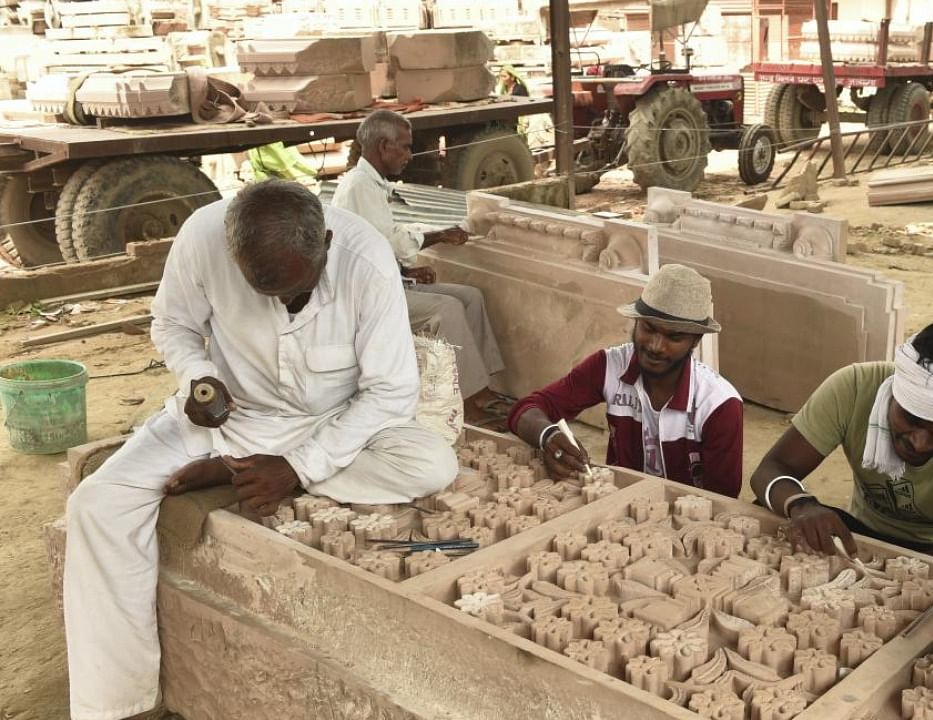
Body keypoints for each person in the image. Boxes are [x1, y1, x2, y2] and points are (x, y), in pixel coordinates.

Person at [62, 180, 459, 720]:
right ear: (233, 254)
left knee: (431, 464)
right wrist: (200, 378)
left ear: (327, 242)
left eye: (296, 291)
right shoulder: (203, 235)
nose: (284, 305)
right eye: (264, 292)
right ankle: (117, 704)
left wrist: (297, 467)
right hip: (230, 418)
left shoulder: (365, 260)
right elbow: (172, 324)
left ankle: (234, 475)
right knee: (95, 505)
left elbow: (390, 391)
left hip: (329, 423)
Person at [749, 318, 933, 574]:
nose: (919, 443)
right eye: (910, 419)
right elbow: (772, 469)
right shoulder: (856, 386)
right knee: (775, 511)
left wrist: (877, 572)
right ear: (896, 391)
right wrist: (800, 504)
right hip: (860, 533)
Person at [332, 110, 508, 427]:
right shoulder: (359, 186)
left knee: (470, 297)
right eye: (405, 147)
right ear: (384, 146)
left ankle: (482, 388)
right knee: (447, 309)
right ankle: (466, 400)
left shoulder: (371, 184)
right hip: (365, 297)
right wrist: (439, 235)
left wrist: (405, 272)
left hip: (385, 282)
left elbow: (375, 247)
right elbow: (389, 243)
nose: (409, 156)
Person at [507, 264, 744, 497]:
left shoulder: (719, 404)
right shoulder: (608, 366)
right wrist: (548, 436)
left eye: (674, 337)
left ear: (695, 341)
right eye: (648, 329)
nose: (655, 346)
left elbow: (722, 499)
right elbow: (526, 409)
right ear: (637, 322)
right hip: (616, 502)